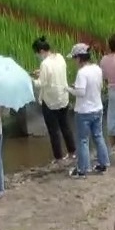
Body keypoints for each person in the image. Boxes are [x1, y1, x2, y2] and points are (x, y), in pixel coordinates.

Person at [32, 37, 76, 166]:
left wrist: (30, 80)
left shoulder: (45, 64)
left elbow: (41, 83)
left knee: (54, 130)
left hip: (50, 102)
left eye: (37, 53)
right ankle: (72, 152)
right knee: (65, 126)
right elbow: (54, 72)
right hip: (63, 98)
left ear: (41, 51)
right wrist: (41, 73)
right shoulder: (60, 57)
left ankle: (58, 157)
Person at [69, 43, 109, 176]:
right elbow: (98, 85)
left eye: (75, 58)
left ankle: (83, 169)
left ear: (79, 58)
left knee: (83, 140)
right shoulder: (97, 68)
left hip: (84, 111)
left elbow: (80, 93)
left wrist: (68, 89)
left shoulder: (82, 72)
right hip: (98, 108)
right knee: (98, 136)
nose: (74, 61)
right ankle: (103, 163)